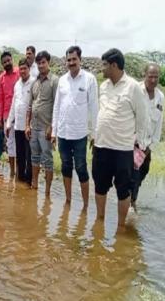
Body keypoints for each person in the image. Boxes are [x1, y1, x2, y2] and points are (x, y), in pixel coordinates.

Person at [92, 48, 148, 229]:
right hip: (101, 146)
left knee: (123, 190)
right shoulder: (104, 86)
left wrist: (139, 146)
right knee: (100, 185)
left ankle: (120, 227)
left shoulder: (133, 87)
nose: (102, 69)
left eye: (105, 65)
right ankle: (99, 221)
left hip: (123, 150)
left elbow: (142, 119)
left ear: (114, 65)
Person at [51, 46, 98, 209]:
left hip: (80, 134)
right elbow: (57, 106)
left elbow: (94, 108)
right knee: (65, 166)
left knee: (81, 168)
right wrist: (54, 131)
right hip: (63, 132)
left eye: (74, 59)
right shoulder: (62, 80)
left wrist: (94, 134)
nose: (71, 63)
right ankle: (68, 200)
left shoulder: (89, 79)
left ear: (80, 60)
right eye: (68, 60)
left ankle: (85, 205)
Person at [130, 63, 164, 209]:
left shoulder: (160, 97)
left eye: (156, 77)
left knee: (143, 172)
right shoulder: (135, 90)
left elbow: (159, 124)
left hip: (147, 146)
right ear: (145, 75)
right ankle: (131, 205)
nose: (153, 80)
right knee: (134, 178)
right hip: (133, 144)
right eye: (150, 76)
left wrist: (150, 147)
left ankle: (127, 196)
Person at [25, 50, 59, 194]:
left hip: (46, 128)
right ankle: (34, 184)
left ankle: (47, 191)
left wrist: (52, 127)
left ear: (48, 62)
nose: (41, 65)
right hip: (34, 127)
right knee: (34, 157)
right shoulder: (35, 82)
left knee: (47, 159)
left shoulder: (55, 81)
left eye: (43, 62)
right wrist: (27, 125)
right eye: (38, 63)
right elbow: (30, 106)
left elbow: (58, 106)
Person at [6, 58, 35, 184]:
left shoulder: (34, 83)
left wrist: (31, 125)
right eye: (21, 69)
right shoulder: (17, 84)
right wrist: (8, 123)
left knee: (29, 156)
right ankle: (20, 182)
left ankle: (29, 182)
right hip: (18, 126)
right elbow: (14, 104)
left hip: (29, 127)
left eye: (25, 68)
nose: (22, 71)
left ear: (29, 69)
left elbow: (35, 105)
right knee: (20, 156)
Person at [0, 51, 20, 176]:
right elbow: (0, 99)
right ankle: (12, 171)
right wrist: (0, 119)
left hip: (20, 114)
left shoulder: (19, 73)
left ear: (12, 59)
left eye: (8, 60)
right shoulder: (1, 78)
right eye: (4, 62)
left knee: (20, 143)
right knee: (10, 143)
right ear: (2, 64)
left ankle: (20, 170)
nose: (7, 63)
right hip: (7, 116)